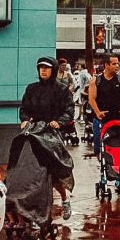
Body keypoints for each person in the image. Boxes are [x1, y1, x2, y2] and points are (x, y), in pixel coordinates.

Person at [19, 56, 76, 219]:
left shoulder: (62, 90)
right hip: (34, 133)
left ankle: (65, 199)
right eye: (40, 68)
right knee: (30, 169)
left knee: (53, 171)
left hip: (53, 135)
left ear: (54, 70)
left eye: (47, 68)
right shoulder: (31, 89)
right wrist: (25, 120)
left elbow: (69, 110)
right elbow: (24, 109)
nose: (43, 70)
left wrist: (59, 122)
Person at [88, 54, 120, 157]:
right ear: (106, 65)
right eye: (114, 64)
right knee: (99, 150)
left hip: (117, 118)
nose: (117, 66)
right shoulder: (96, 80)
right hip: (101, 119)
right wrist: (97, 112)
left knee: (119, 147)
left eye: (118, 63)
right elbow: (91, 99)